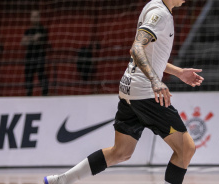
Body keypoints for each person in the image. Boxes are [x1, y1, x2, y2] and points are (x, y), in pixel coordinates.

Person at [44, 0, 204, 184]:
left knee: (121, 152)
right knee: (186, 149)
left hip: (130, 90)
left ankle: (61, 180)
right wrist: (155, 81)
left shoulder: (155, 7)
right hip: (144, 92)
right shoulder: (159, 14)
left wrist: (179, 72)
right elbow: (136, 49)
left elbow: (150, 54)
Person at [21, 10, 49, 96]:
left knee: (41, 76)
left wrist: (29, 39)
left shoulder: (43, 30)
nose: (34, 18)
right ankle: (29, 96)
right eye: (33, 16)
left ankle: (45, 96)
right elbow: (22, 42)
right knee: (29, 77)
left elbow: (39, 40)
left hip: (39, 57)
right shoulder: (28, 31)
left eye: (36, 16)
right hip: (29, 57)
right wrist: (33, 39)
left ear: (39, 18)